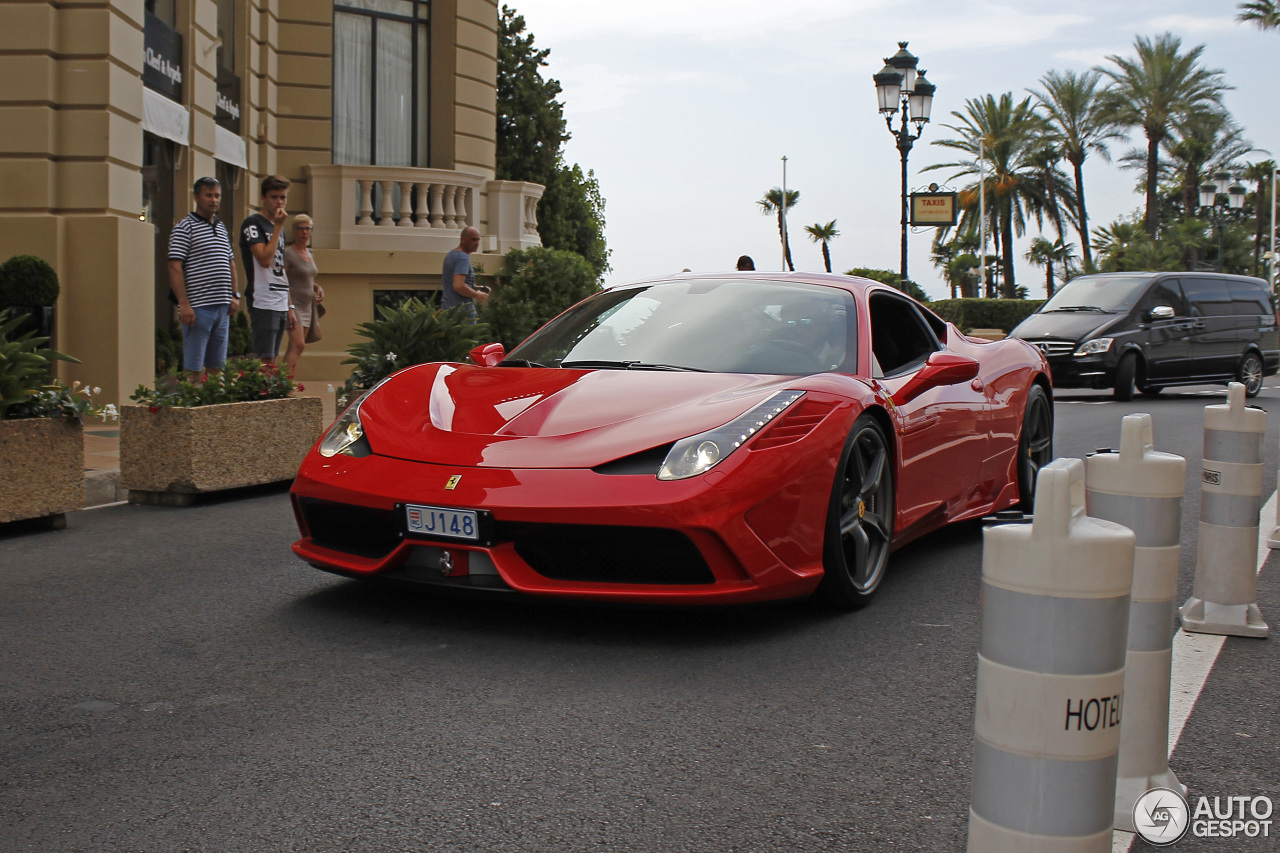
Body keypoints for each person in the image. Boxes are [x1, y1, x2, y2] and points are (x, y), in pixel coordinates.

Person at [168, 176, 240, 377]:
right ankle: (191, 404)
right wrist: (184, 303)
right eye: (208, 195)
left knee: (217, 367)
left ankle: (212, 406)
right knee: (194, 367)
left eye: (217, 195)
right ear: (196, 197)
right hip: (198, 307)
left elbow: (230, 262)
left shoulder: (221, 227)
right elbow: (174, 266)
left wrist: (235, 295)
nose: (214, 200)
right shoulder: (184, 227)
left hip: (222, 307)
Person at [239, 175, 296, 365]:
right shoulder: (253, 223)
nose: (279, 202)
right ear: (263, 198)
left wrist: (289, 306)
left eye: (283, 197)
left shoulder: (278, 228)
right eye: (274, 197)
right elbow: (263, 259)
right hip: (263, 298)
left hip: (280, 298)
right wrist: (279, 226)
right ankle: (265, 393)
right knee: (266, 357)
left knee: (274, 355)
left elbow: (280, 267)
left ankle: (272, 390)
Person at [282, 214, 324, 374]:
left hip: (308, 305)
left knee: (296, 346)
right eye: (300, 228)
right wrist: (289, 306)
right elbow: (283, 279)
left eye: (307, 228)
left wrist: (317, 287)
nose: (304, 232)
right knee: (298, 344)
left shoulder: (310, 252)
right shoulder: (289, 253)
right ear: (294, 231)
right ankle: (284, 384)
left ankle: (284, 382)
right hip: (294, 304)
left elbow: (306, 278)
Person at [441, 226, 489, 321]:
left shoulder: (451, 255)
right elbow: (458, 286)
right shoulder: (463, 258)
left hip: (447, 310)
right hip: (462, 314)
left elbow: (454, 282)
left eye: (478, 240)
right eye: (473, 240)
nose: (477, 243)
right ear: (463, 240)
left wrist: (477, 288)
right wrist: (477, 295)